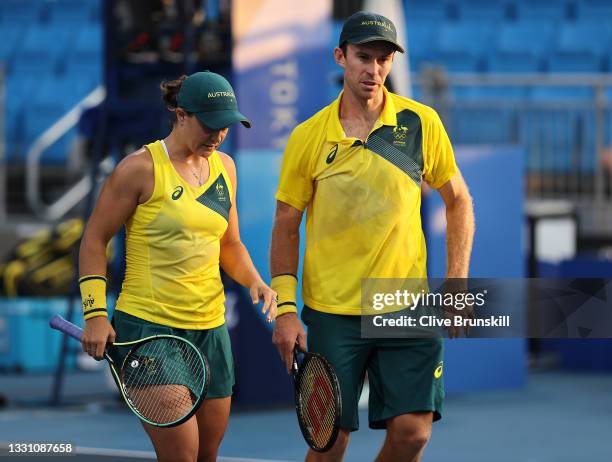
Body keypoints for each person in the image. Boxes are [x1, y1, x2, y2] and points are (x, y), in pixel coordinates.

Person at [270, 11, 475, 462]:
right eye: (364, 57)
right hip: (333, 312)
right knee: (329, 444)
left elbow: (458, 200)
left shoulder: (422, 123)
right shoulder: (308, 137)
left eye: (383, 60)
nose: (374, 70)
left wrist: (457, 282)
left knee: (413, 434)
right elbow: (286, 224)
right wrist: (286, 309)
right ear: (340, 57)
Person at [79, 71, 277, 462]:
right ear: (181, 114)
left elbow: (230, 243)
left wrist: (255, 281)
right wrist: (95, 313)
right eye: (210, 124)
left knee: (206, 454)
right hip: (149, 329)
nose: (219, 135)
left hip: (210, 330)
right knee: (181, 457)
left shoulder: (225, 168)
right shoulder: (138, 169)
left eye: (226, 126)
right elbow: (93, 241)